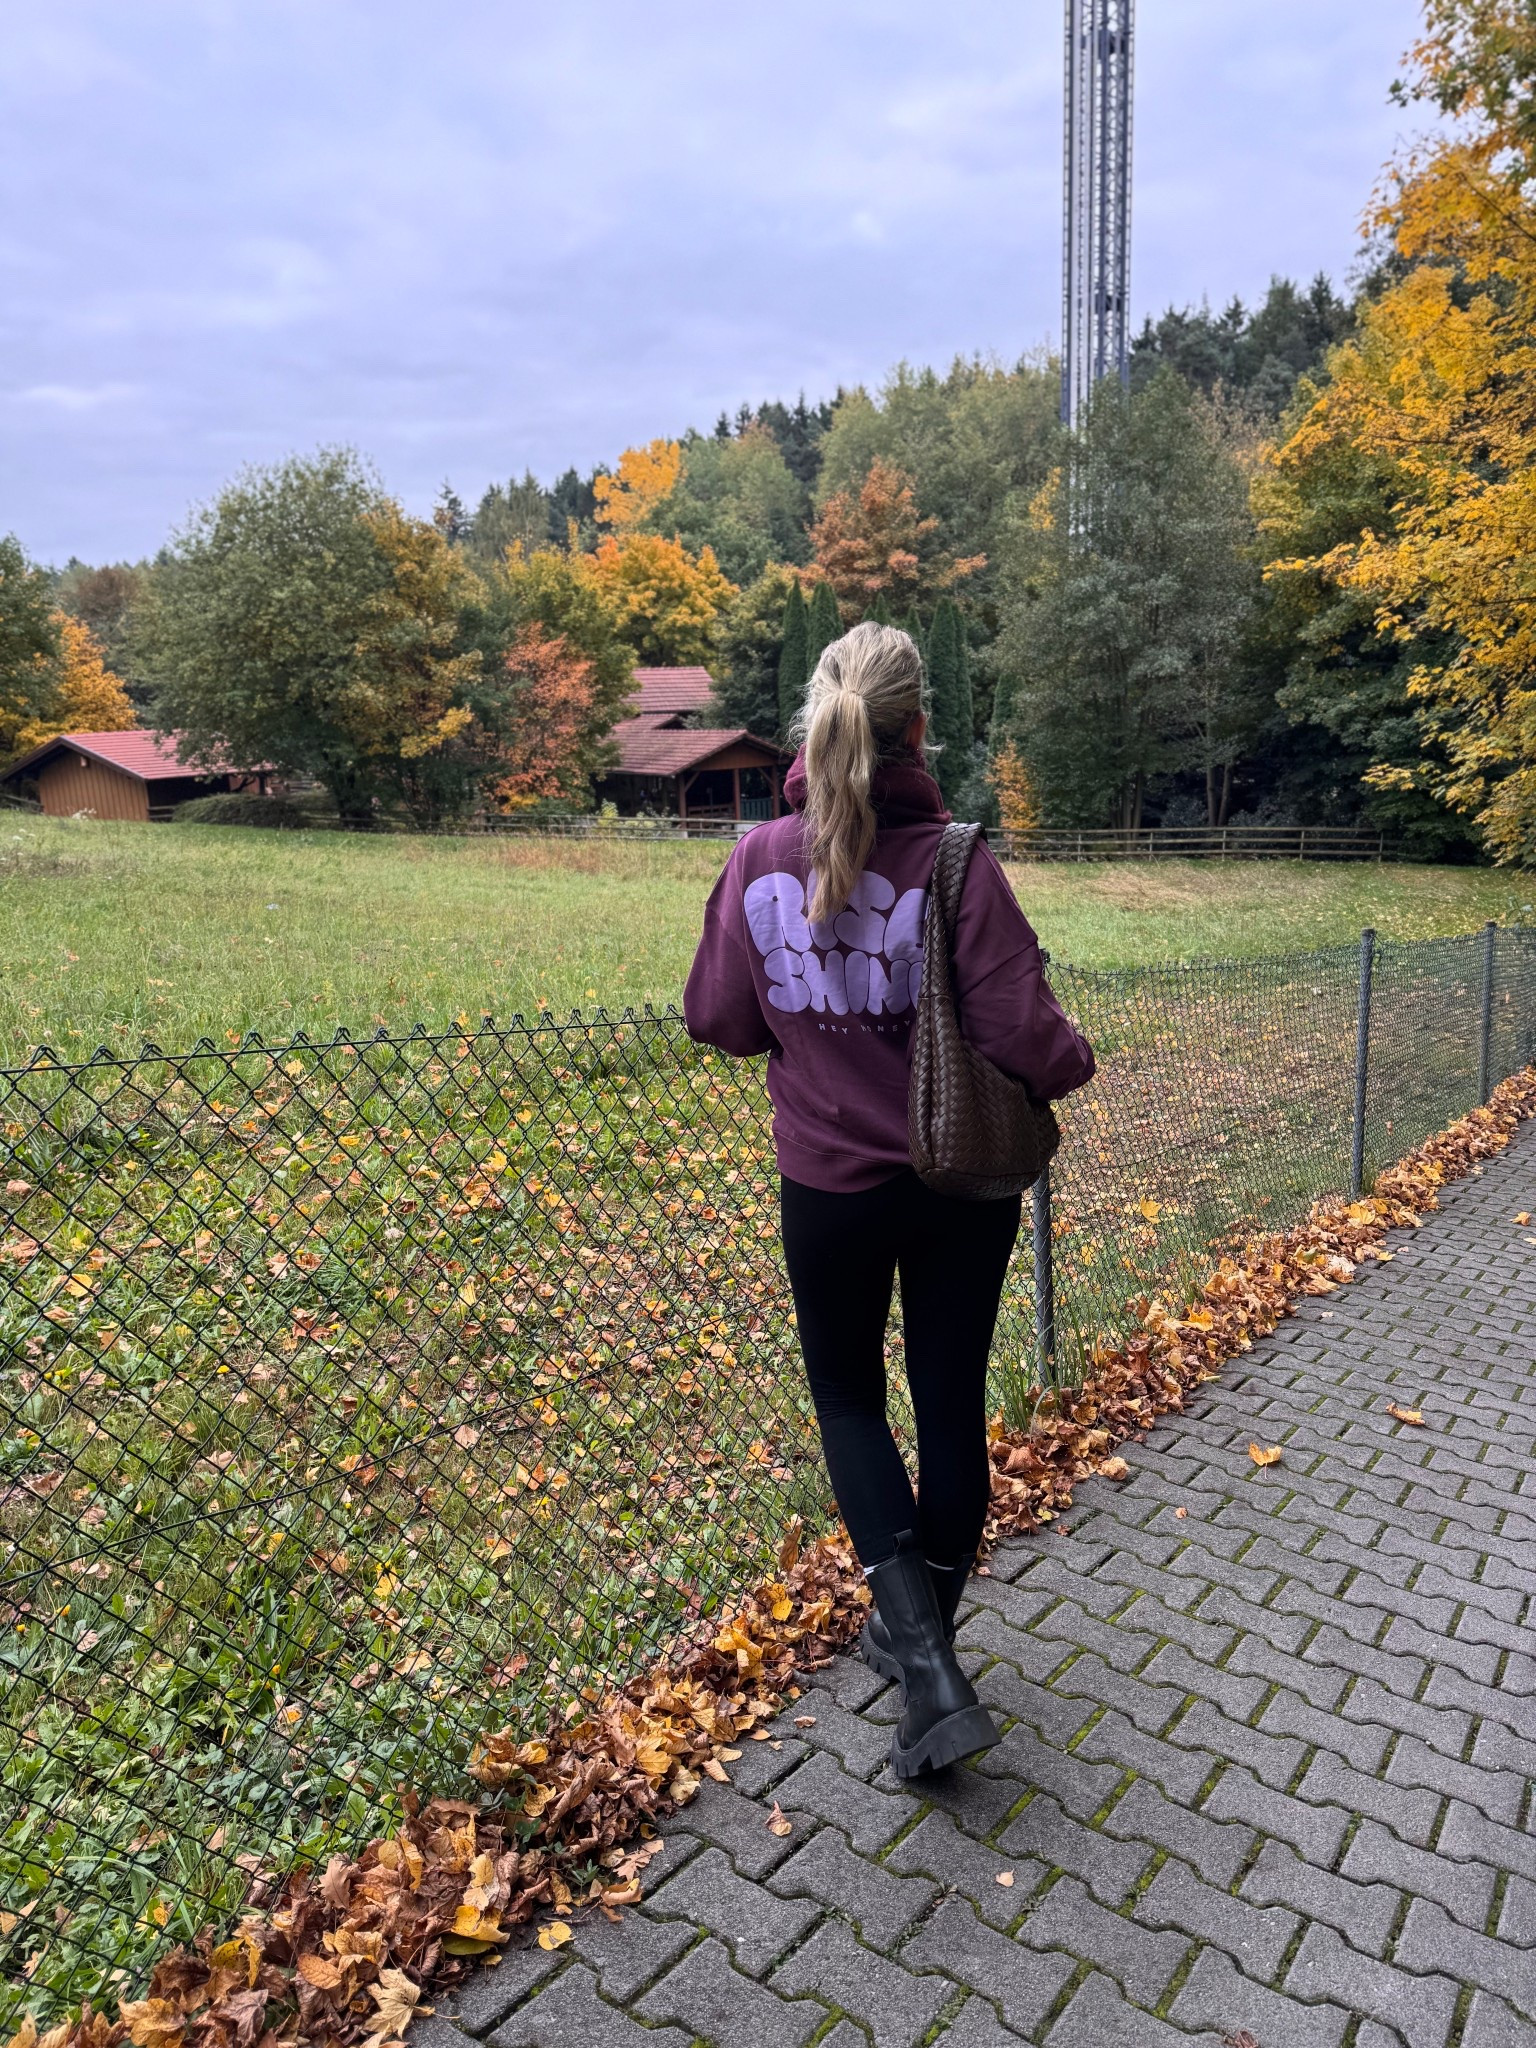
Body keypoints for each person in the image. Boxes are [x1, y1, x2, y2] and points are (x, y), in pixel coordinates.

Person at [683, 621, 1095, 1777]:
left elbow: (716, 1017)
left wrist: (810, 1019)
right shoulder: (958, 861)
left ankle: (922, 1663)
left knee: (851, 1406)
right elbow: (1027, 1035)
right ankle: (932, 1660)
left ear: (819, 724)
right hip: (960, 1183)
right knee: (949, 1403)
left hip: (826, 1186)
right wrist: (1070, 1057)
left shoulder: (759, 857)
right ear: (918, 729)